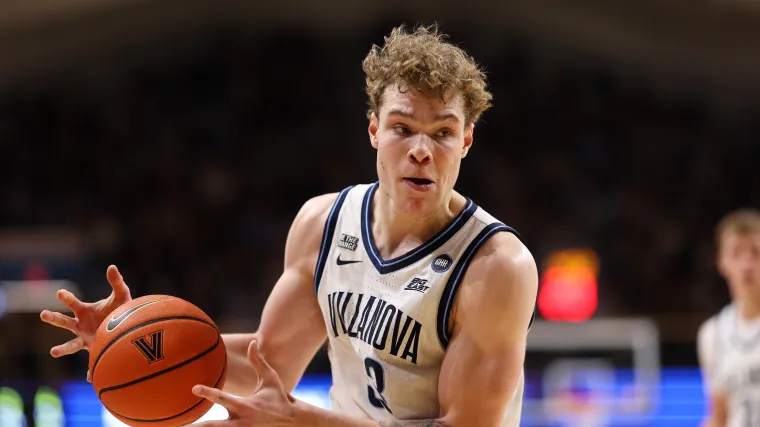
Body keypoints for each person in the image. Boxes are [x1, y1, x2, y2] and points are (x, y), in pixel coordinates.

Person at [40, 24, 538, 427]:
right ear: (374, 130)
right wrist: (133, 339)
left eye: (443, 132)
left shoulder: (495, 268)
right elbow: (269, 364)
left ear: (466, 140)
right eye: (403, 128)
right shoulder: (323, 225)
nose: (422, 150)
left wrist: (306, 422)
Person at [698, 208, 760, 427]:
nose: (747, 265)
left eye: (755, 253)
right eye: (736, 253)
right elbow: (719, 417)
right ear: (721, 262)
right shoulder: (713, 333)